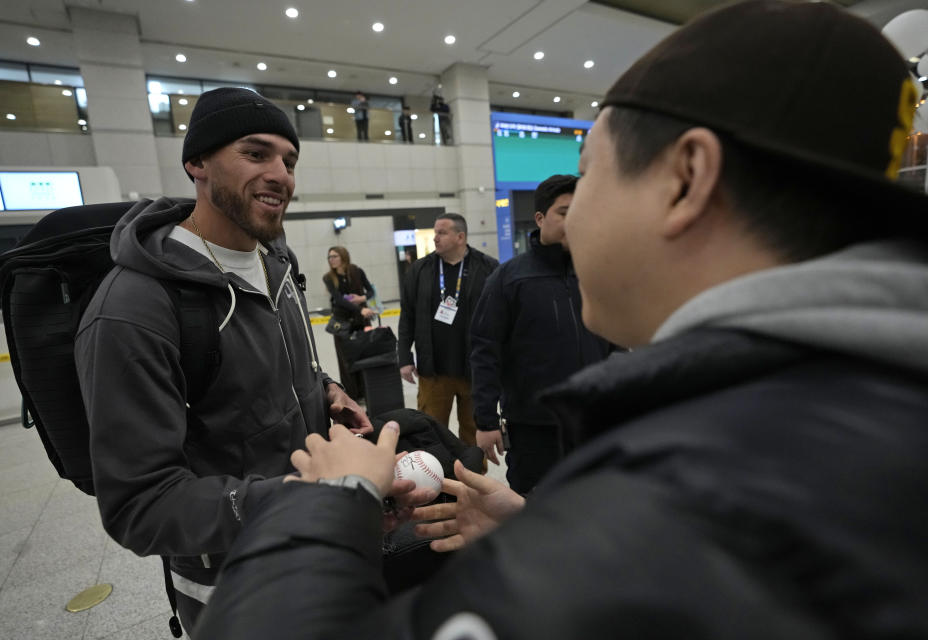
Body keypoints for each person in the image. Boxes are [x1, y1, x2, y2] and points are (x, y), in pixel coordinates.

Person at [195, 3, 928, 638]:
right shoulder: (857, 401)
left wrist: (331, 504)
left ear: (684, 180)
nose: (574, 221)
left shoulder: (691, 483)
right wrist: (556, 544)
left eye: (591, 169)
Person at [74, 87, 371, 634]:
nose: (281, 173)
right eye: (256, 154)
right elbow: (140, 505)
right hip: (233, 585)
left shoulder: (275, 260)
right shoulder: (134, 308)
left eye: (288, 160)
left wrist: (327, 390)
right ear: (198, 164)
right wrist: (298, 498)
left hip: (315, 546)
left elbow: (273, 367)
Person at [469, 174, 614, 493]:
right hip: (533, 427)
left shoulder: (595, 272)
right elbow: (485, 351)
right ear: (540, 218)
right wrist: (485, 421)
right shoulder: (509, 279)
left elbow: (615, 344)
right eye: (564, 213)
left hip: (592, 420)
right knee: (534, 509)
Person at [398, 213, 498, 446]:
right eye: (435, 233)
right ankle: (437, 477)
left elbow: (500, 317)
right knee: (430, 430)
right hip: (433, 370)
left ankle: (474, 479)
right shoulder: (419, 270)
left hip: (475, 370)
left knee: (473, 431)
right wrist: (404, 357)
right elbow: (408, 317)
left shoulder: (488, 268)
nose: (435, 238)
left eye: (441, 233)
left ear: (460, 236)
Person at [323, 245, 376, 400]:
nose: (331, 260)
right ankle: (353, 394)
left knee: (364, 355)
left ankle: (367, 392)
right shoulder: (328, 278)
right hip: (342, 322)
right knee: (346, 360)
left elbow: (371, 291)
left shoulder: (357, 271)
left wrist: (362, 299)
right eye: (329, 257)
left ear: (343, 257)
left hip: (361, 321)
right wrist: (360, 309)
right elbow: (339, 299)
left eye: (334, 256)